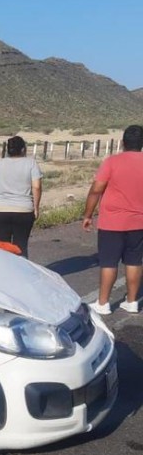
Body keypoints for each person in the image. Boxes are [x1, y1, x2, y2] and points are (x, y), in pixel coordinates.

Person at [82, 125, 143, 315]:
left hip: (112, 222)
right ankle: (132, 301)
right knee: (134, 261)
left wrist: (88, 215)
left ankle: (103, 303)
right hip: (139, 222)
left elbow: (96, 189)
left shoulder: (112, 161)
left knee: (109, 262)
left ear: (123, 142)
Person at [0, 136, 42, 258]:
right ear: (23, 149)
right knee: (20, 246)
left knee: (2, 247)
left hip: (1, 209)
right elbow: (36, 187)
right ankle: (21, 274)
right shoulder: (31, 163)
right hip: (24, 210)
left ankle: (4, 274)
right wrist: (36, 207)